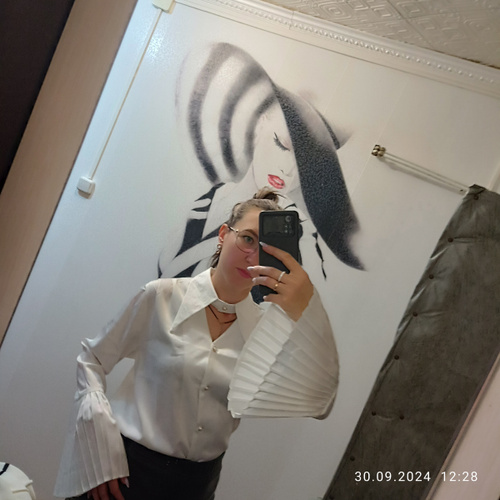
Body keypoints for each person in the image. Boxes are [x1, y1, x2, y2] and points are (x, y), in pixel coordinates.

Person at [54, 189, 339, 500]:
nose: (254, 255)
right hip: (123, 474)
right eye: (247, 239)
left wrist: (308, 310)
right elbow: (92, 358)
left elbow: (321, 405)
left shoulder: (265, 332)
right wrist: (98, 446)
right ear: (223, 235)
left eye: (267, 248)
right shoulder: (161, 297)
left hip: (197, 486)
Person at [159, 42, 363, 282]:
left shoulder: (296, 234)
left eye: (305, 163)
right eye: (282, 145)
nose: (289, 170)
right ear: (261, 124)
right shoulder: (206, 203)